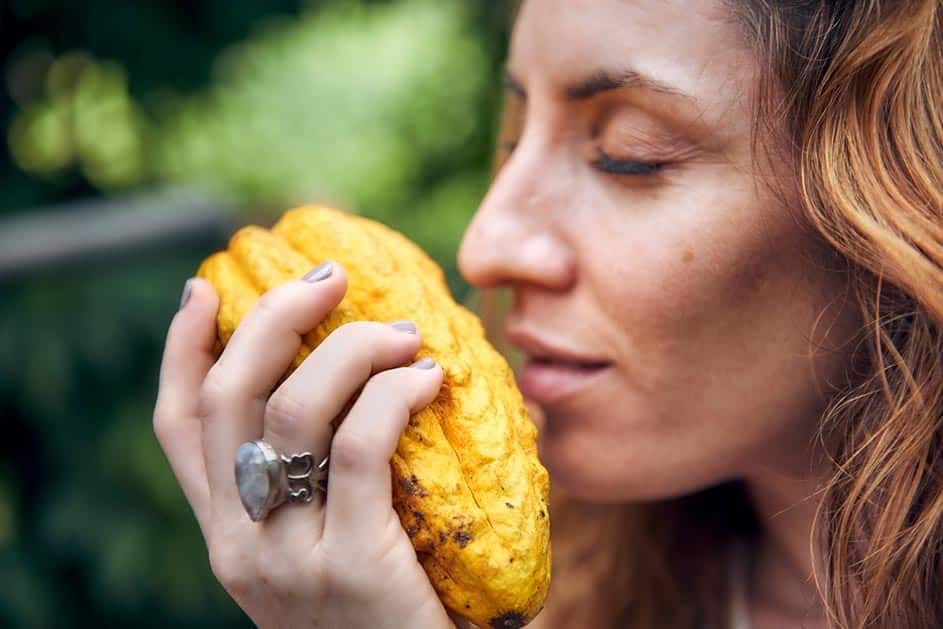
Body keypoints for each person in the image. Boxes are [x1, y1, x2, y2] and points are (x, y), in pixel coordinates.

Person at [153, 1, 943, 627]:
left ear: (896, 199)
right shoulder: (562, 593)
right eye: (513, 136)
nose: (482, 246)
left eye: (629, 154)